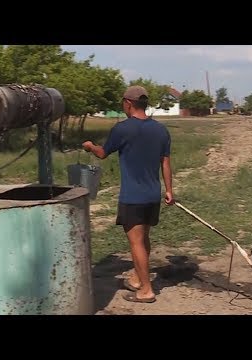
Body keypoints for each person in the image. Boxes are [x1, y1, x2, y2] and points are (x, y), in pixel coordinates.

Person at [82, 85, 175, 303]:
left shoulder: (122, 129)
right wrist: (169, 190)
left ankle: (146, 290)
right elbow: (166, 163)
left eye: (123, 103)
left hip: (133, 197)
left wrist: (90, 146)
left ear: (128, 103)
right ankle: (136, 278)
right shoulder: (161, 130)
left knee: (136, 242)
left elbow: (103, 153)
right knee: (143, 238)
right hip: (153, 195)